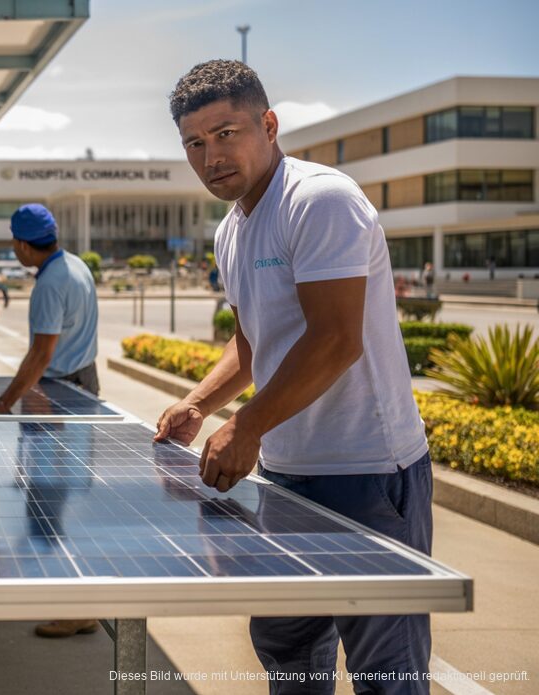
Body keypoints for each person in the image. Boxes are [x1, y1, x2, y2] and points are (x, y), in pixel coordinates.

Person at [155, 60, 433, 693]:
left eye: (226, 133)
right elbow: (254, 339)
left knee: (385, 673)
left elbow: (336, 340)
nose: (211, 156)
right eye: (195, 144)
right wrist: (200, 404)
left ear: (269, 124)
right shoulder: (231, 230)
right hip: (286, 477)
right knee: (288, 650)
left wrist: (246, 425)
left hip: (368, 475)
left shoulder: (319, 199)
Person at [0, 203, 99, 639]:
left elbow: (41, 354)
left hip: (55, 393)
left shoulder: (49, 283)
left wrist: (7, 399)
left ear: (20, 244)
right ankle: (63, 586)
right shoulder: (76, 265)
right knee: (63, 492)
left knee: (48, 498)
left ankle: (73, 607)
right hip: (83, 383)